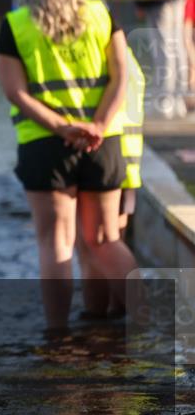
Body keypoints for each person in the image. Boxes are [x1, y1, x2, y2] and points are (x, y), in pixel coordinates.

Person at [0, 0, 138, 333]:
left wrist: (61, 127)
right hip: (101, 142)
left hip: (46, 146)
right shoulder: (100, 14)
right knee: (105, 239)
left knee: (55, 244)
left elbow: (15, 92)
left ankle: (57, 337)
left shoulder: (17, 25)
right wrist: (99, 124)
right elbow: (121, 75)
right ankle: (161, 326)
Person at [78, 45, 144, 319]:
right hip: (127, 164)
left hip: (104, 159)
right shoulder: (123, 55)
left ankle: (100, 322)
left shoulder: (93, 55)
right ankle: (124, 325)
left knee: (92, 248)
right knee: (113, 243)